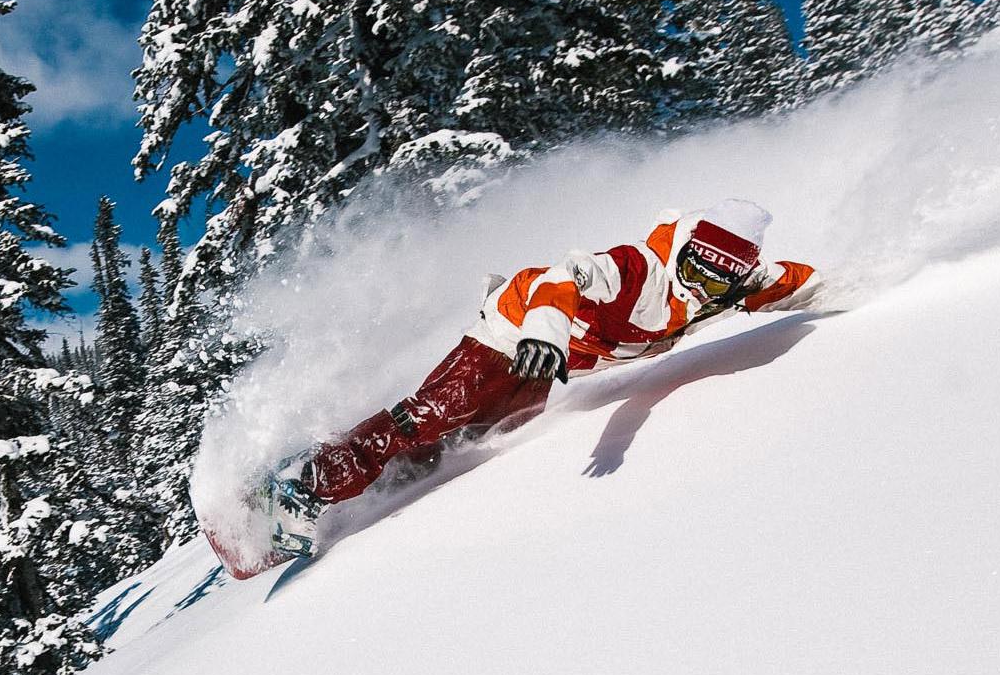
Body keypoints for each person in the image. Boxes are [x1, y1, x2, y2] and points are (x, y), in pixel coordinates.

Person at [265, 197, 819, 556]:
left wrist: (887, 279)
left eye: (722, 282)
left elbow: (803, 282)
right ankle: (304, 488)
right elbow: (565, 275)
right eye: (698, 267)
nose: (704, 287)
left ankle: (355, 497)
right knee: (430, 417)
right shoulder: (637, 269)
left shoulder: (739, 285)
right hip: (514, 334)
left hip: (549, 365)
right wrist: (546, 330)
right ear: (686, 250)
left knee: (464, 442)